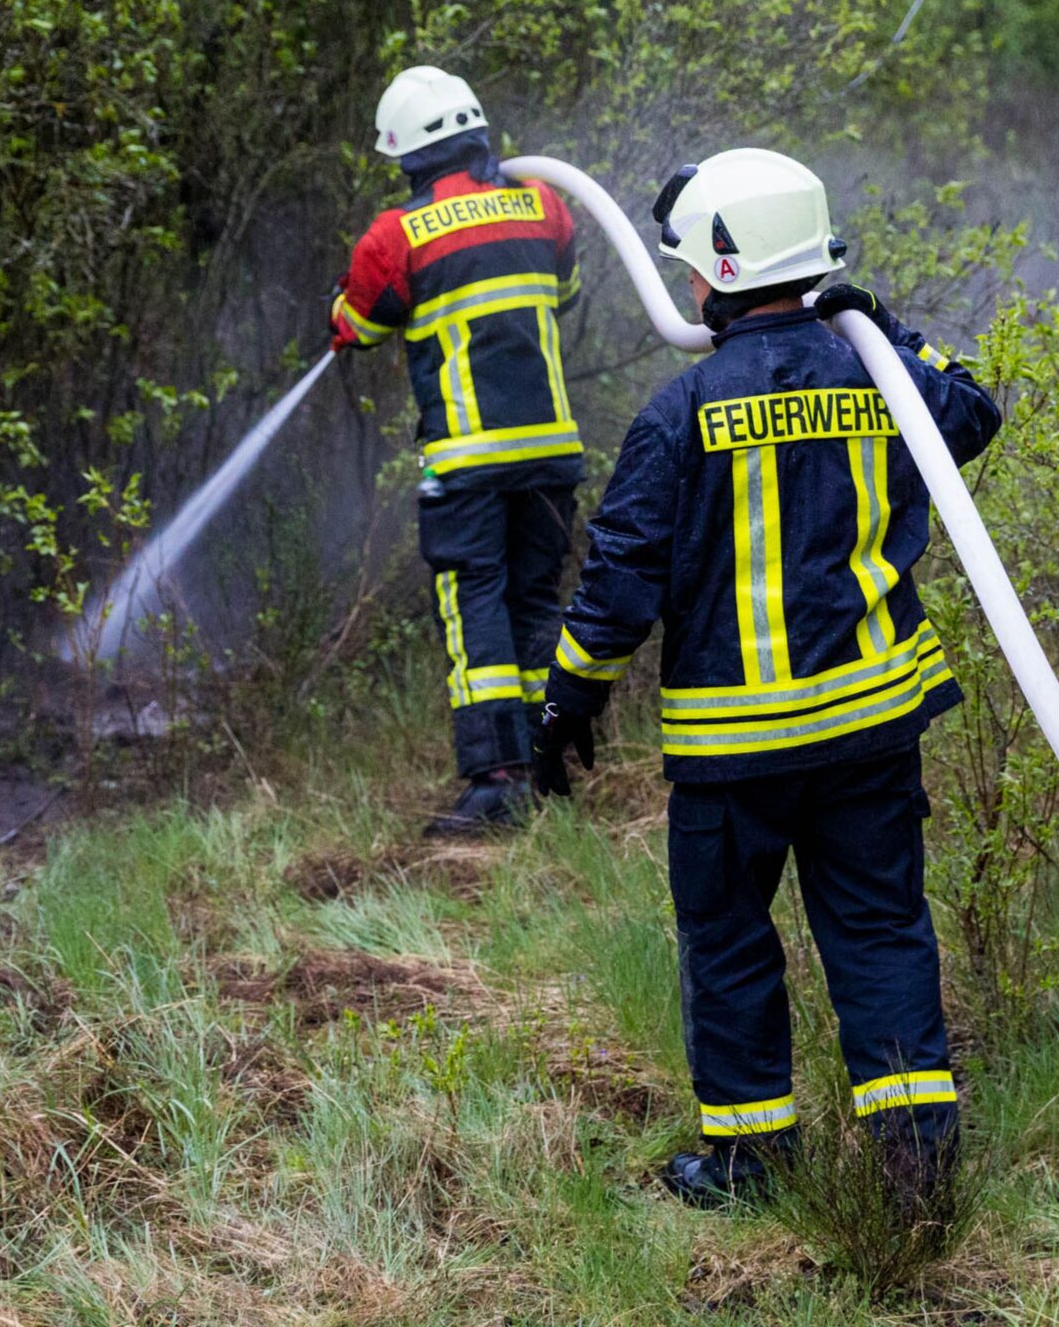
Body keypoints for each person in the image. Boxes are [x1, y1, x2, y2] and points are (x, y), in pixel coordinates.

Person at [530, 148, 1002, 1207]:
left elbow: (617, 587)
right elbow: (973, 412)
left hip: (733, 749)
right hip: (870, 729)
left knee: (730, 945)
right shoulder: (880, 380)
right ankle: (914, 1170)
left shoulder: (677, 413)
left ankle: (749, 1166)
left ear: (717, 273)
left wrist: (567, 701)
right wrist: (889, 331)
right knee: (880, 934)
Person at [331, 66, 586, 835]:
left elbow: (357, 327)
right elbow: (566, 292)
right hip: (551, 455)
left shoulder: (397, 235)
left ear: (407, 154)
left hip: (469, 463)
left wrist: (339, 305)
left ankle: (496, 783)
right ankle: (548, 765)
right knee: (536, 601)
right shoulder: (544, 205)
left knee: (476, 604)